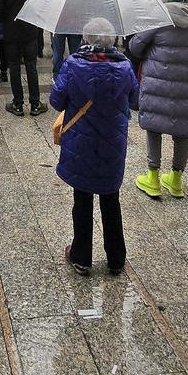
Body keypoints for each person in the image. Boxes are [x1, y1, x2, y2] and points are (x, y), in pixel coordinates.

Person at [51, 18, 136, 276]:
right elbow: (135, 98)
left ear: (85, 39)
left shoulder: (73, 64)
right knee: (111, 198)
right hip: (112, 142)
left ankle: (81, 257)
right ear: (112, 41)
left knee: (82, 198)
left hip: (82, 142)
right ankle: (116, 259)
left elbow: (56, 100)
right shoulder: (124, 66)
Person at [130, 0, 188, 199]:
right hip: (187, 85)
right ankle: (176, 179)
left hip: (158, 84)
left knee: (154, 127)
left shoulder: (157, 18)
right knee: (184, 130)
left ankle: (153, 177)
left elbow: (135, 47)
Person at [0, 0, 42, 116]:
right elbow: (38, 3)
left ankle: (18, 104)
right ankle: (35, 104)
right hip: (30, 29)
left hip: (11, 31)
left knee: (14, 66)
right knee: (31, 66)